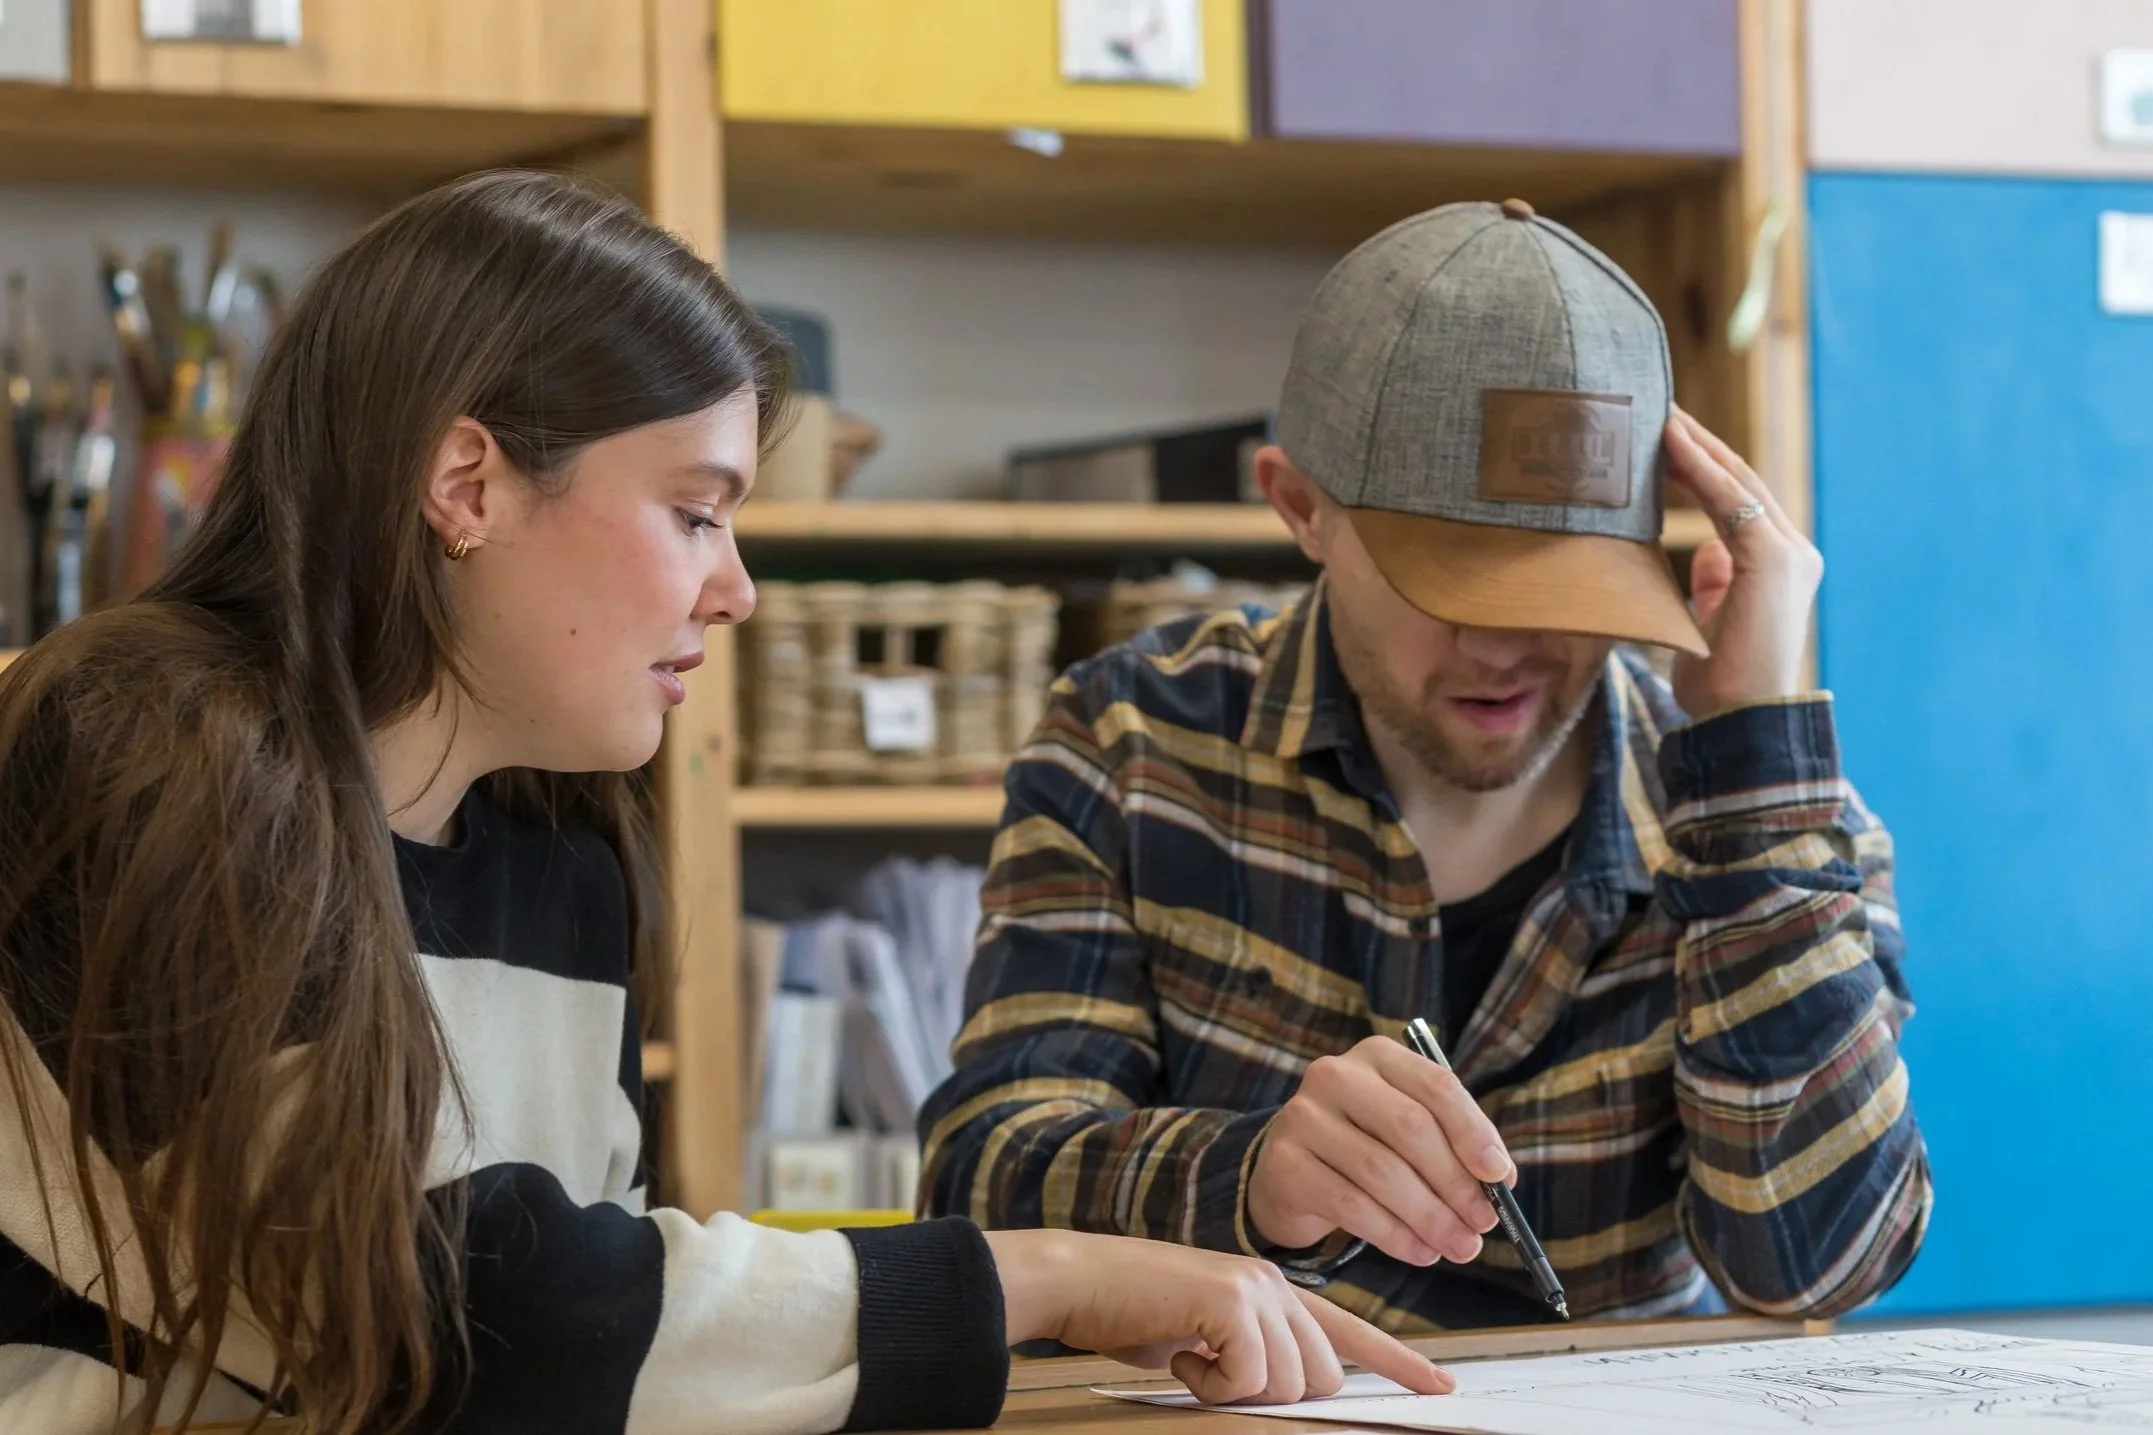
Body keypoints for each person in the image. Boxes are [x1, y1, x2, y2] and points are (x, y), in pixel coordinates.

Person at [0, 173, 1449, 1435]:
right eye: (695, 508)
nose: (738, 585)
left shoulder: (556, 830)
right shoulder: (129, 755)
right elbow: (442, 1310)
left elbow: (602, 1311)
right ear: (467, 482)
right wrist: (1043, 1277)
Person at [920, 200, 1932, 1331]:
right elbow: (978, 1189)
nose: (1500, 646)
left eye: (1560, 585)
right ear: (1299, 507)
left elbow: (1815, 1269)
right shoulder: (1133, 741)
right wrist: (1248, 1178)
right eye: (1442, 583)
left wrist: (1748, 774)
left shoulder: (1772, 812)